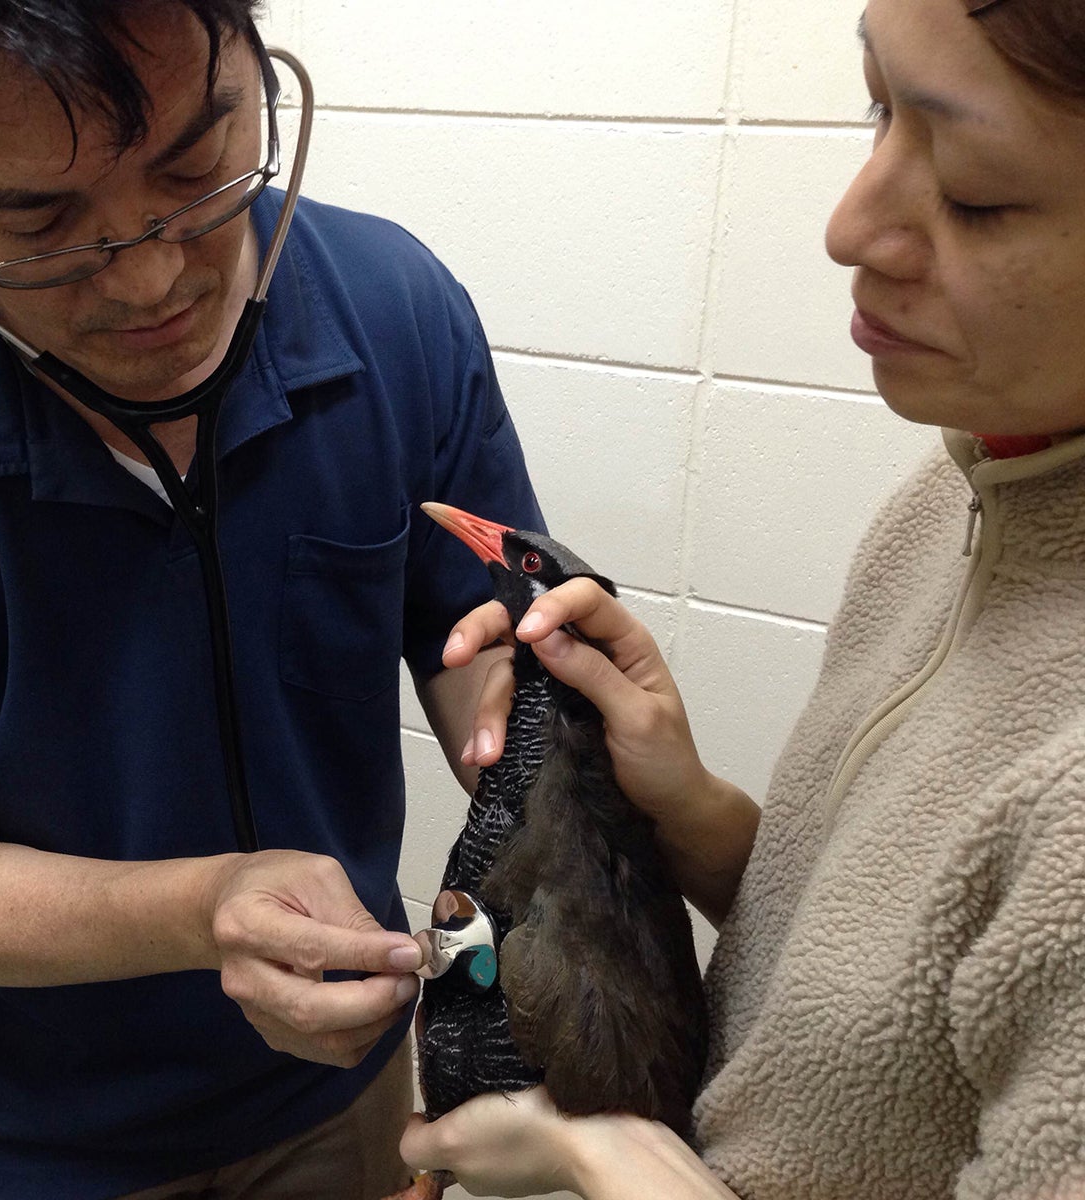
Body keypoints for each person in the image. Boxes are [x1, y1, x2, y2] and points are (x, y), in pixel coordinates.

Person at [0, 3, 543, 1199]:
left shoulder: (394, 309)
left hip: (344, 1089)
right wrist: (203, 907)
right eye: (36, 221)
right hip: (36, 1143)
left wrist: (534, 736)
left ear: (252, 60)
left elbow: (475, 641)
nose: (151, 279)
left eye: (194, 167)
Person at [403, 0, 1085, 1196]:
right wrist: (692, 812)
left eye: (973, 190)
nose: (846, 226)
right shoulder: (951, 499)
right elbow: (909, 972)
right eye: (877, 109)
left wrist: (601, 1159)